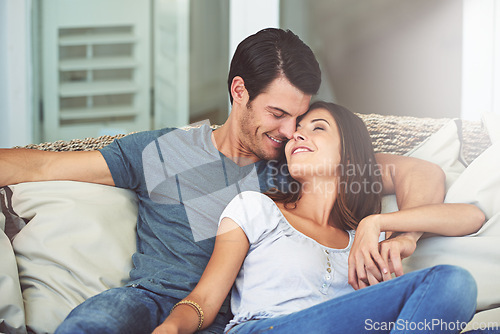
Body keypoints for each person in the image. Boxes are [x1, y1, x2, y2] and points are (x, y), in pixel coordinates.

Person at [0, 29, 445, 333]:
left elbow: (419, 172)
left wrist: (404, 235)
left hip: (239, 320)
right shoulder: (162, 151)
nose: (291, 131)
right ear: (239, 92)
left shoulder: (298, 165)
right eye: (278, 114)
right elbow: (38, 168)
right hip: (151, 301)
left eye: (300, 117)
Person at [154, 101, 484, 334]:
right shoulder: (255, 208)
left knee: (471, 307)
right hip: (266, 327)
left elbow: (469, 215)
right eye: (295, 132)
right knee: (451, 282)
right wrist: (170, 327)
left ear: (348, 152)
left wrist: (385, 227)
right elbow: (204, 300)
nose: (297, 135)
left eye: (318, 128)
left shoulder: (365, 239)